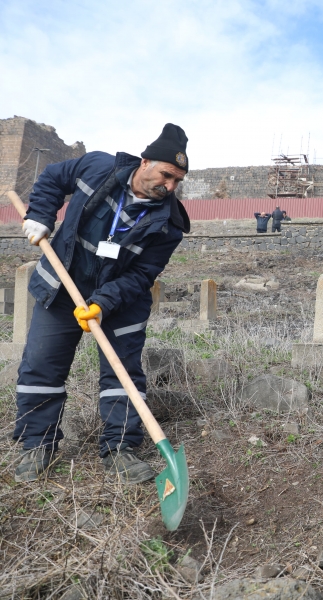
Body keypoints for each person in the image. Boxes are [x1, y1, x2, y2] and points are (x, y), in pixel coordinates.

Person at [13, 123, 191, 484]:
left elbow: (143, 275)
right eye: (167, 175)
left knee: (122, 375)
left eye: (177, 181)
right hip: (62, 288)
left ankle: (120, 449)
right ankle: (37, 445)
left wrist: (103, 302)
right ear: (145, 162)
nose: (170, 186)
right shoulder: (97, 168)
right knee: (41, 367)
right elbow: (50, 178)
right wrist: (40, 216)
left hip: (121, 302)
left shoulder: (169, 224)